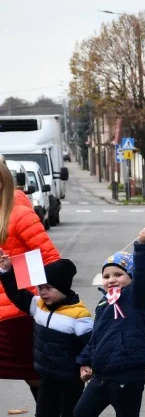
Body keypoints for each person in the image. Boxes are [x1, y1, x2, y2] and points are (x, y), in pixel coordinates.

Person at [0, 257, 97, 417]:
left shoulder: (79, 315)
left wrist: (86, 364)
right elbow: (16, 295)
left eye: (49, 288)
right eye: (40, 287)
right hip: (46, 376)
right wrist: (6, 274)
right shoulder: (38, 306)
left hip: (69, 378)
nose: (43, 292)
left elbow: (91, 345)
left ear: (63, 288)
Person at [74, 228, 145, 417]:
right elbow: (96, 337)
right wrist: (85, 362)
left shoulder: (139, 298)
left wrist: (142, 246)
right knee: (82, 414)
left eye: (119, 274)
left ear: (130, 277)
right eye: (107, 275)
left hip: (127, 373)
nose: (112, 279)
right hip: (103, 373)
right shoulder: (104, 303)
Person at [0, 160, 60, 403]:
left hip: (17, 314)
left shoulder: (20, 215)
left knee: (37, 381)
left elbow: (52, 261)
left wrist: (15, 269)